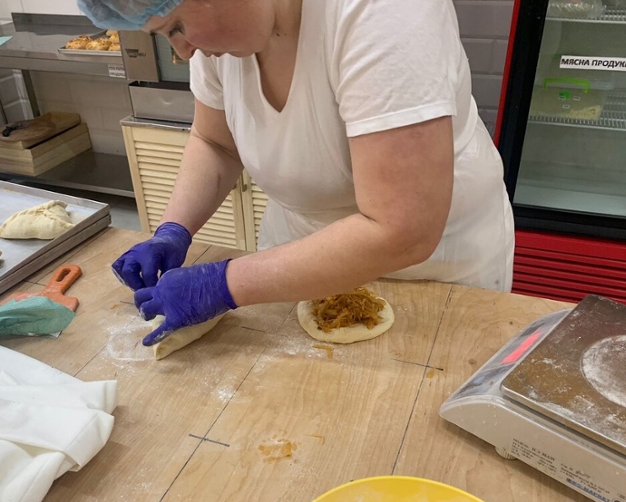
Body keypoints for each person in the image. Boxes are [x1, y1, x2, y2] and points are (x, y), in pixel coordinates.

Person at [79, 0, 515, 346]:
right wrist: (172, 229)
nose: (182, 50)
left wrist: (221, 282)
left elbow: (403, 231)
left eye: (174, 26)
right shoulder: (219, 35)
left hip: (435, 271)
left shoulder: (383, 12)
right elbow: (216, 142)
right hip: (302, 261)